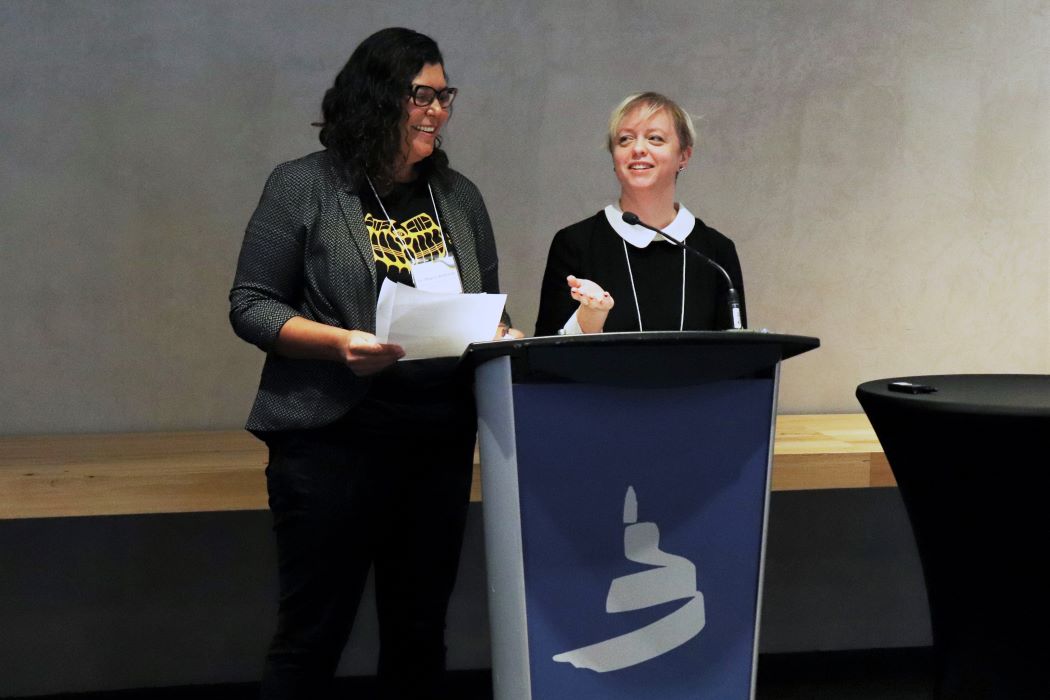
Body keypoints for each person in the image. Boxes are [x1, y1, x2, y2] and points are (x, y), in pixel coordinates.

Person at [229, 27, 511, 699]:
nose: (437, 111)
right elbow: (252, 304)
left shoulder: (459, 198)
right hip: (333, 444)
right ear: (376, 96)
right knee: (312, 636)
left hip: (437, 444)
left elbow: (488, 301)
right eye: (422, 95)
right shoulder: (306, 186)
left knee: (418, 634)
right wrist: (339, 344)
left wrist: (502, 330)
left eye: (445, 97)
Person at [535, 92, 746, 336]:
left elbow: (738, 358)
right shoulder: (575, 244)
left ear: (684, 156)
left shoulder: (716, 252)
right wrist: (589, 318)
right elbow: (544, 358)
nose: (637, 149)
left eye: (655, 139)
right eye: (625, 140)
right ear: (614, 157)